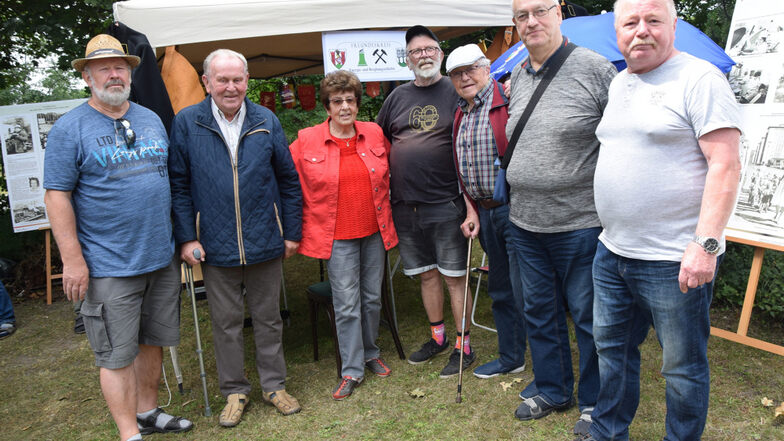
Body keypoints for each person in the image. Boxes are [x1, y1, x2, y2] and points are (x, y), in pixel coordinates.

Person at [581, 0, 742, 439]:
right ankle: (608, 431)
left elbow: (725, 164)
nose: (642, 31)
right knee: (612, 354)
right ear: (617, 30)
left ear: (673, 25)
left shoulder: (699, 78)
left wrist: (706, 244)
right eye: (630, 22)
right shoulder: (619, 83)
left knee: (682, 368)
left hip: (675, 260)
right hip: (613, 250)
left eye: (653, 20)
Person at [43, 34, 192, 441]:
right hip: (110, 263)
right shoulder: (69, 129)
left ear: (130, 72)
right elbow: (56, 196)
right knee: (115, 353)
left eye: (121, 67)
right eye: (105, 68)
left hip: (160, 258)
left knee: (153, 341)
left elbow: (170, 182)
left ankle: (147, 411)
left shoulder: (149, 119)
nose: (114, 74)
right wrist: (72, 260)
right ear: (87, 75)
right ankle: (129, 433)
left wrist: (180, 239)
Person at [168, 49, 303, 427]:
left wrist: (291, 231)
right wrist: (185, 237)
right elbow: (178, 184)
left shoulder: (266, 119)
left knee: (269, 318)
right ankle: (234, 390)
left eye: (237, 79)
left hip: (264, 237)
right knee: (225, 323)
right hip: (213, 242)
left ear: (247, 81)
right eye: (222, 80)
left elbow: (288, 180)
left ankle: (274, 385)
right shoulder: (186, 122)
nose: (231, 87)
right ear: (206, 83)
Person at [505, 0, 616, 435]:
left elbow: (620, 142)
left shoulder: (595, 68)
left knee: (589, 317)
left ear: (559, 13)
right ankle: (552, 388)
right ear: (514, 25)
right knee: (538, 310)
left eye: (540, 10)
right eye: (521, 15)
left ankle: (594, 402)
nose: (531, 21)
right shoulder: (516, 72)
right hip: (525, 221)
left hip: (580, 222)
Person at [289, 70, 399, 400]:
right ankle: (351, 370)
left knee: (372, 298)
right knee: (347, 303)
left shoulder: (375, 133)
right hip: (337, 236)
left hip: (374, 231)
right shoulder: (307, 139)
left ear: (357, 103)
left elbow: (394, 170)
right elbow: (286, 180)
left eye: (350, 100)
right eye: (337, 101)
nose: (345, 107)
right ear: (327, 106)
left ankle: (370, 352)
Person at [376, 25, 476, 378]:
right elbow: (379, 140)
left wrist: (470, 204)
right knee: (427, 276)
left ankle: (464, 347)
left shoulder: (456, 89)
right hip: (405, 206)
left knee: (454, 277)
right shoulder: (396, 98)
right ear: (407, 60)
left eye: (430, 49)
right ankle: (438, 338)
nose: (424, 55)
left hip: (446, 203)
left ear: (441, 54)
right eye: (416, 51)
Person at [444, 44, 528, 379]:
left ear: (487, 67)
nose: (464, 77)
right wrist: (471, 211)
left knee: (528, 289)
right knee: (501, 289)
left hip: (516, 209)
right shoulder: (460, 114)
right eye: (456, 73)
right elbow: (461, 168)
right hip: (485, 212)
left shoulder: (509, 99)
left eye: (470, 69)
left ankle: (548, 368)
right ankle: (512, 357)